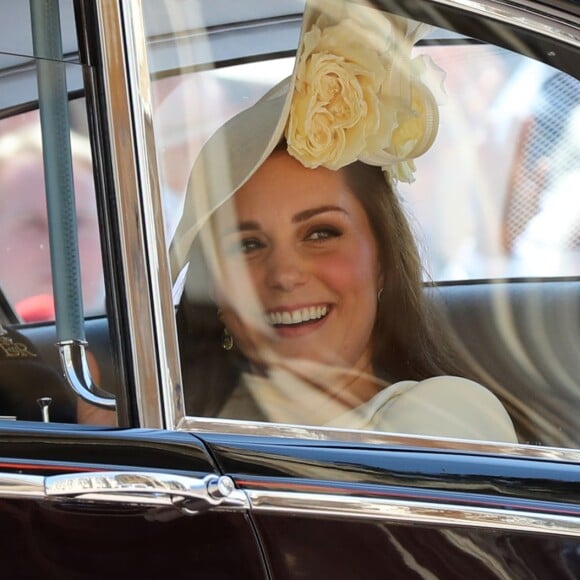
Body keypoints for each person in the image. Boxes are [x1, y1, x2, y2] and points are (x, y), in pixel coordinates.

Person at [172, 1, 518, 443]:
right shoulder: (185, 435)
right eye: (248, 245)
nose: (284, 275)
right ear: (215, 290)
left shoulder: (446, 417)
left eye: (320, 233)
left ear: (383, 262)